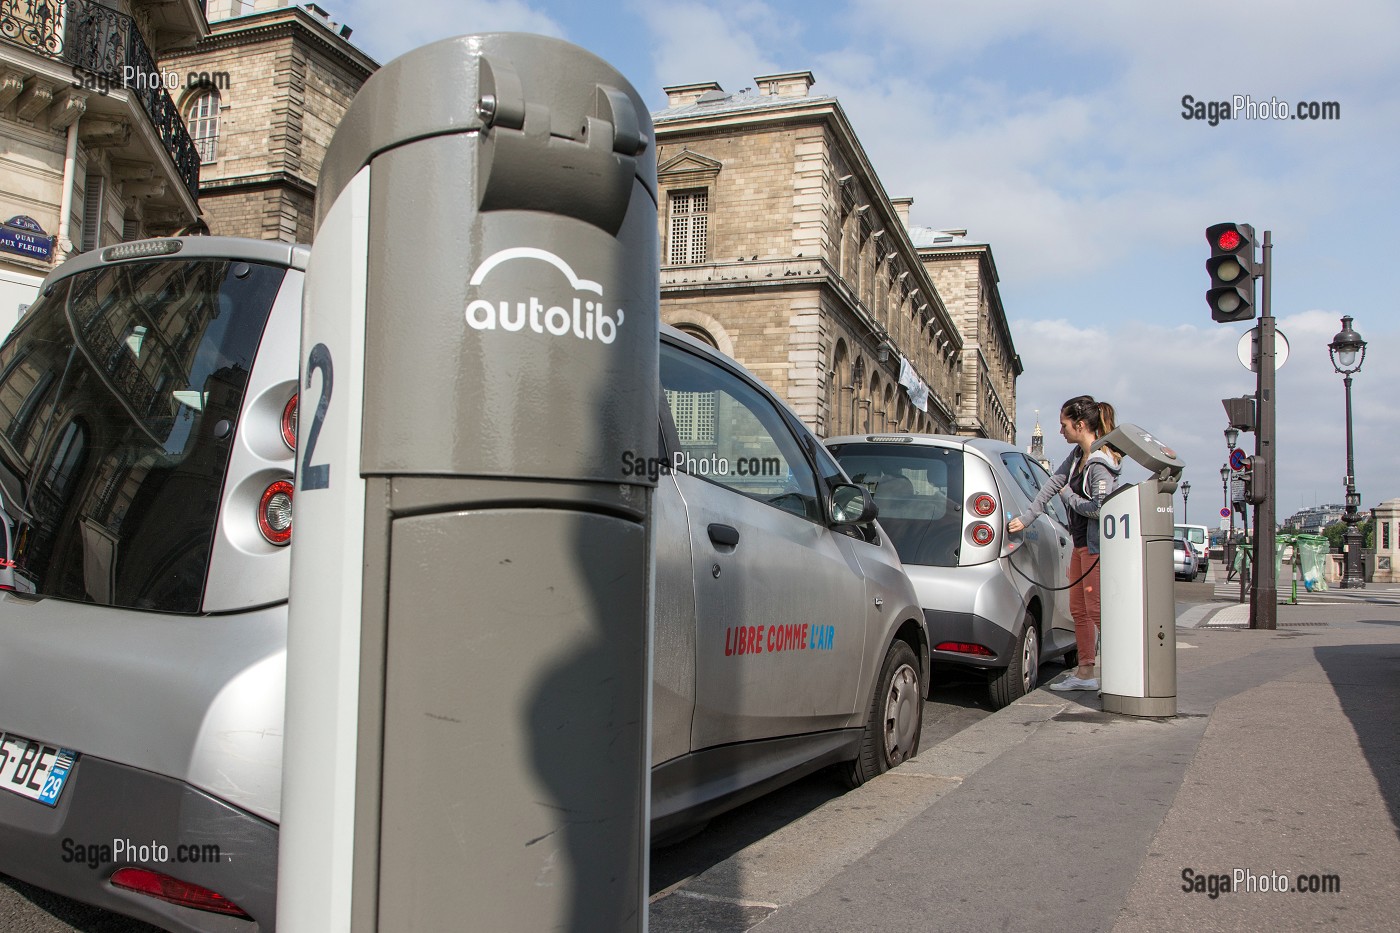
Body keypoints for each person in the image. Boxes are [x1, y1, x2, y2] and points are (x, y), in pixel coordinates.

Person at [1006, 395, 1122, 692]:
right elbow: (1052, 484)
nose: (1061, 431)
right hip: (1081, 544)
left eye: (1064, 425)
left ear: (1080, 425)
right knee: (1079, 610)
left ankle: (1121, 673)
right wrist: (1028, 517)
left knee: (1096, 611)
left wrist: (1069, 496)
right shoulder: (1077, 457)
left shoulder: (1100, 463)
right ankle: (1085, 672)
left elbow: (1099, 507)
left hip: (1096, 548)